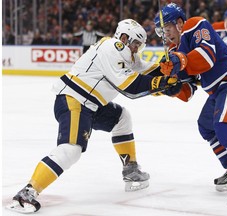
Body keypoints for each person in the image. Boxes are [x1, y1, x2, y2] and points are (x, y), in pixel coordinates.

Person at [6, 19, 181, 214]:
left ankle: (130, 169)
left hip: (92, 104)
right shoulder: (111, 47)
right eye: (136, 44)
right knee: (71, 150)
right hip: (74, 99)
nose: (136, 49)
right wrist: (163, 83)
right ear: (124, 38)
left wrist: (168, 71)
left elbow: (146, 69)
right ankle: (27, 192)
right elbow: (130, 86)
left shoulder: (126, 53)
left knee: (122, 118)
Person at [154, 3, 227, 210]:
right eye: (162, 32)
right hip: (219, 89)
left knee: (225, 127)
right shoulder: (175, 50)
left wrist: (179, 61)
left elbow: (206, 57)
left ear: (179, 23)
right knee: (206, 125)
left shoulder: (195, 25)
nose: (165, 36)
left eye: (167, 29)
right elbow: (189, 90)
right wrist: (171, 88)